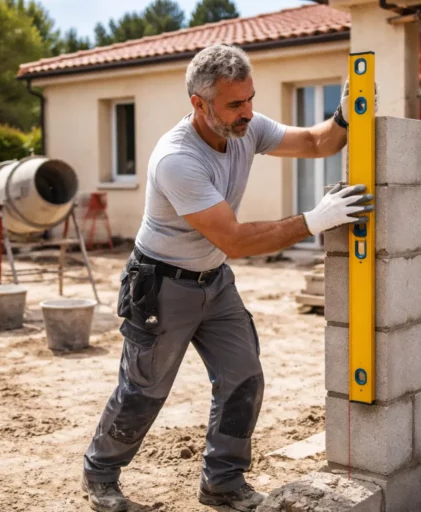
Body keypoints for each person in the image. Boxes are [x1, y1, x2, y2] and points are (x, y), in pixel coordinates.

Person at [81, 44, 373, 512]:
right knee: (145, 389)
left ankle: (222, 482)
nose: (248, 112)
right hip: (161, 285)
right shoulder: (177, 159)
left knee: (243, 376)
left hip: (213, 280)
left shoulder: (245, 128)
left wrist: (343, 115)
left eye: (250, 98)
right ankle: (100, 473)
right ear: (199, 103)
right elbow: (235, 239)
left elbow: (317, 143)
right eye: (236, 104)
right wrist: (314, 221)